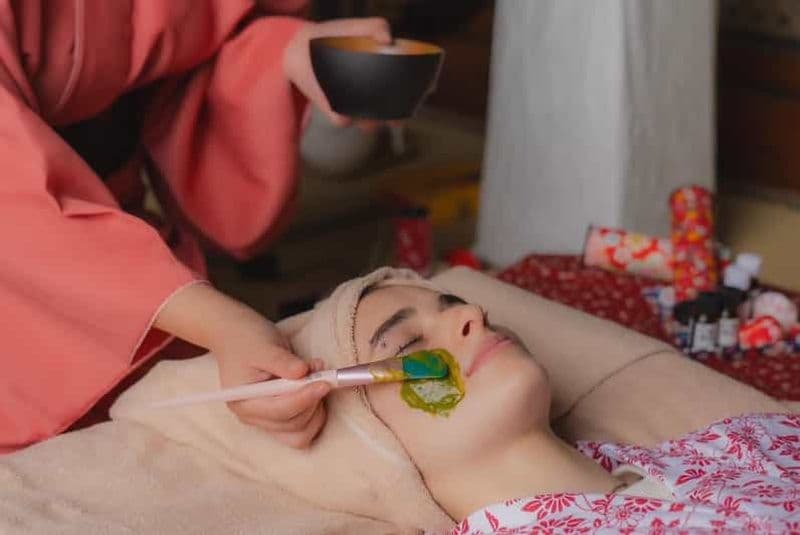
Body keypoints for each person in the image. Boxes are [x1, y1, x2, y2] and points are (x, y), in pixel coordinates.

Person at [0, 0, 391, 453]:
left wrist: (283, 52)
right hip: (31, 270)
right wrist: (216, 321)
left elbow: (201, 40)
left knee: (210, 423)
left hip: (133, 258)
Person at [349, 271, 799, 532]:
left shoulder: (739, 444)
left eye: (459, 305)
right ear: (365, 443)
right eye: (408, 345)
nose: (472, 314)